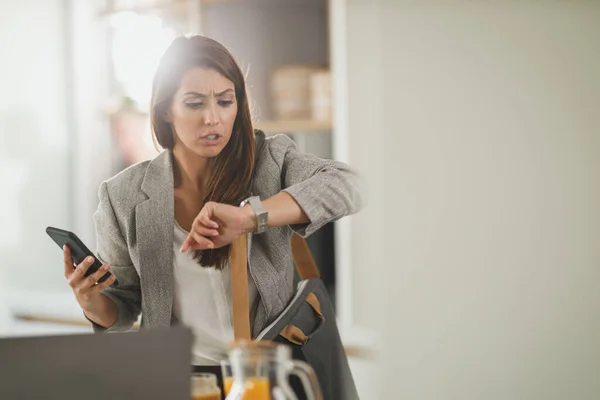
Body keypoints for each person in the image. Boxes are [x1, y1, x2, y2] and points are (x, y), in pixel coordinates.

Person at [62, 35, 361, 366]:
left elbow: (348, 184)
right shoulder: (123, 195)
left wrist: (251, 216)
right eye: (194, 103)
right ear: (165, 111)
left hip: (266, 377)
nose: (213, 118)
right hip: (183, 382)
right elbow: (121, 308)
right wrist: (89, 300)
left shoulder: (268, 161)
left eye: (225, 101)